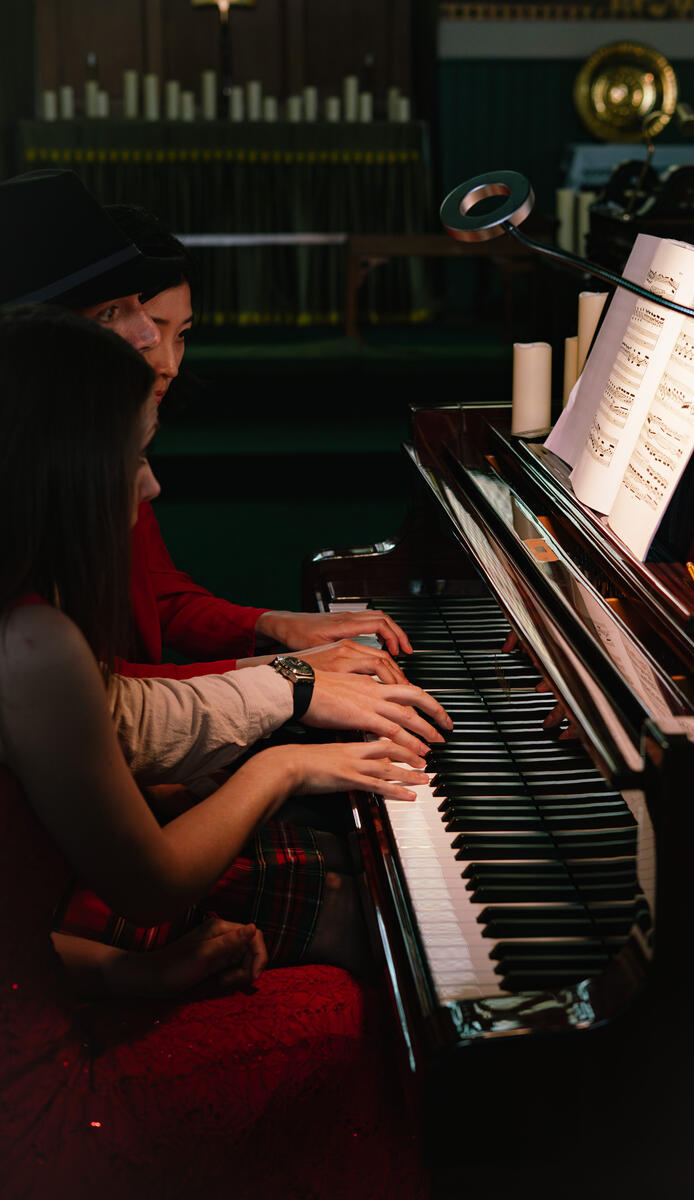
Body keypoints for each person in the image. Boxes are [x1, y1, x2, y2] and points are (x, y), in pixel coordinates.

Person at [0, 306, 429, 1199]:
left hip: (54, 997)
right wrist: (287, 764)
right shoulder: (32, 644)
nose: (150, 487)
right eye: (136, 454)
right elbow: (154, 883)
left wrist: (136, 972)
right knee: (350, 1021)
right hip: (33, 1107)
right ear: (66, 470)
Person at [0, 168, 419, 681]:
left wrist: (274, 625)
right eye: (116, 314)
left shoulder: (104, 444)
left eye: (181, 334)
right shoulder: (39, 467)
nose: (166, 360)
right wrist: (289, 678)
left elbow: (159, 597)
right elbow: (101, 700)